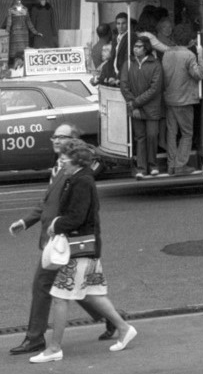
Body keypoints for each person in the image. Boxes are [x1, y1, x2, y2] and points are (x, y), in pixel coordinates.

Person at [7, 124, 122, 357]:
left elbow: (75, 212)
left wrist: (56, 227)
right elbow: (47, 201)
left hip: (64, 241)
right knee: (77, 289)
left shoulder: (73, 172)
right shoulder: (60, 166)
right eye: (55, 137)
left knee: (46, 286)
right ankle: (113, 320)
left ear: (74, 143)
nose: (56, 141)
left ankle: (36, 338)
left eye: (63, 137)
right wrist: (26, 221)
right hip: (55, 239)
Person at [28, 138, 136, 362]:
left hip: (79, 249)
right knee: (93, 294)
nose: (61, 161)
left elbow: (76, 217)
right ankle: (124, 328)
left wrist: (55, 225)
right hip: (88, 248)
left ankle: (54, 348)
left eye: (65, 158)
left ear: (76, 160)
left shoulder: (81, 182)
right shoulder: (79, 178)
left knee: (59, 297)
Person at [162, 24, 203, 176]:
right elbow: (199, 74)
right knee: (187, 133)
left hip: (169, 99)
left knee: (171, 133)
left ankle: (171, 164)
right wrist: (200, 56)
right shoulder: (189, 55)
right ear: (190, 40)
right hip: (185, 100)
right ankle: (180, 164)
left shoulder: (167, 53)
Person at [120, 36, 164, 178]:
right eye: (135, 46)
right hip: (136, 108)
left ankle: (153, 166)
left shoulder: (156, 64)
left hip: (151, 108)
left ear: (146, 48)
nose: (135, 49)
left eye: (139, 46)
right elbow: (124, 86)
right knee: (140, 137)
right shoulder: (128, 64)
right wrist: (134, 106)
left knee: (152, 136)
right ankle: (141, 168)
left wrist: (135, 103)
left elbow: (155, 88)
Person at [96, 12, 130, 86]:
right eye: (118, 23)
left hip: (123, 77)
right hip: (114, 76)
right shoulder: (116, 38)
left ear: (128, 24)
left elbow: (127, 60)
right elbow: (113, 58)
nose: (120, 26)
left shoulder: (131, 37)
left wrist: (118, 77)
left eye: (123, 23)